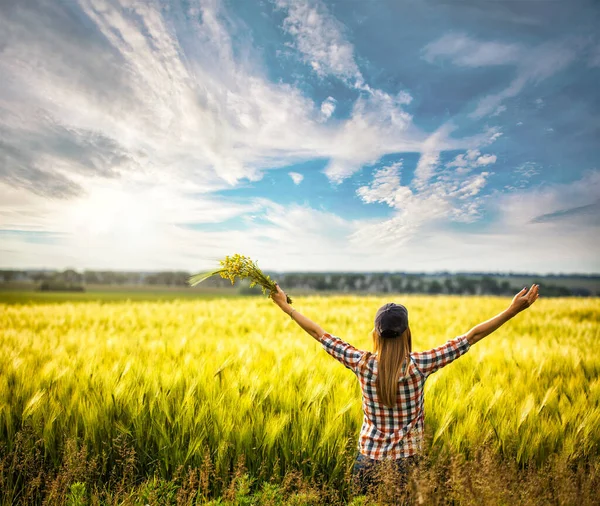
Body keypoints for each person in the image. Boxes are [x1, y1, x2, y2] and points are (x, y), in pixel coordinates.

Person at [269, 282, 540, 496]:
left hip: (367, 461)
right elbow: (471, 337)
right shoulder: (420, 366)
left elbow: (320, 334)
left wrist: (286, 307)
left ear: (375, 334)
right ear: (406, 333)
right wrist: (512, 310)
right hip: (406, 463)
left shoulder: (361, 363)